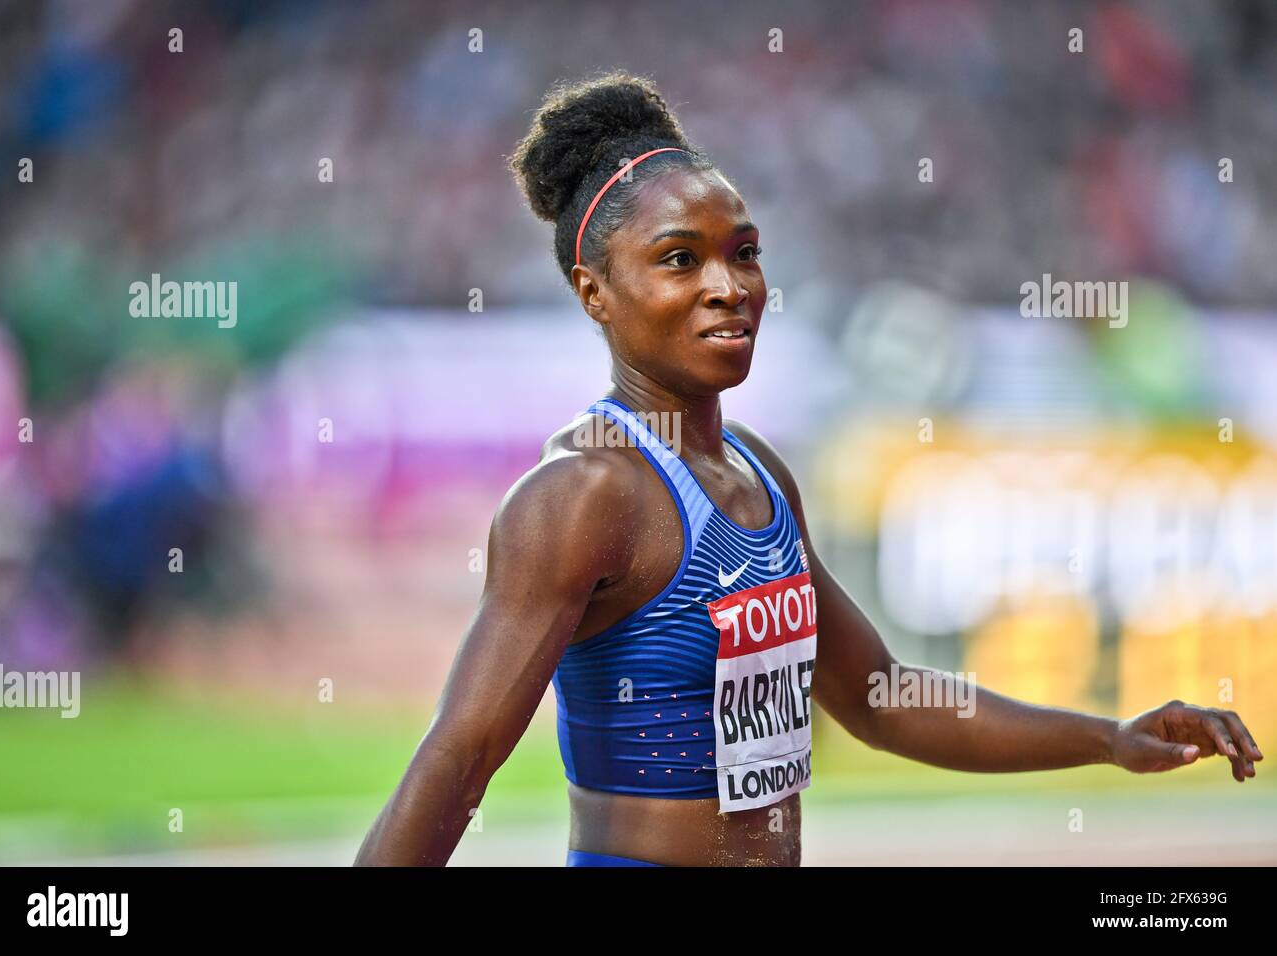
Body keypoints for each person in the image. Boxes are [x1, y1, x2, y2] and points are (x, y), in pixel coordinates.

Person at [354, 71, 1262, 867]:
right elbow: (460, 757)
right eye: (680, 260)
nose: (729, 285)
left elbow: (876, 695)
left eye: (742, 252)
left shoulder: (758, 474)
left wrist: (1110, 738)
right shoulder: (583, 494)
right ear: (595, 293)